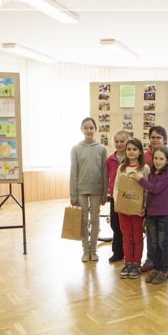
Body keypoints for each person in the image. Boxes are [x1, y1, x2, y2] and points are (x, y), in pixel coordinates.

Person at [130, 146, 168, 284]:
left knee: (163, 243)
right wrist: (145, 213)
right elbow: (148, 195)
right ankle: (156, 268)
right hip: (151, 214)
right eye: (155, 158)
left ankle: (164, 270)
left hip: (163, 214)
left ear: (166, 160)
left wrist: (140, 180)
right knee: (154, 243)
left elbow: (155, 189)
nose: (158, 161)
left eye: (161, 158)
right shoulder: (151, 173)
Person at [141, 125, 168, 272]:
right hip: (149, 206)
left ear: (164, 139)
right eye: (153, 137)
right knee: (151, 236)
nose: (155, 140)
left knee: (162, 238)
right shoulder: (144, 157)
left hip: (164, 206)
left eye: (159, 137)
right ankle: (151, 260)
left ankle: (162, 267)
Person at [70, 117, 108, 262]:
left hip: (97, 190)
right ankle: (85, 250)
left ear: (96, 129)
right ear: (81, 129)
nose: (89, 130)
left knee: (95, 220)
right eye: (86, 127)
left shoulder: (102, 149)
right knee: (83, 220)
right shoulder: (75, 149)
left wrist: (105, 193)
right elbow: (73, 172)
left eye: (91, 127)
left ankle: (93, 250)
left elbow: (105, 172)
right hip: (81, 190)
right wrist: (73, 194)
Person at [113, 139, 150, 279]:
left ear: (140, 151)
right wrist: (117, 202)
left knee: (137, 237)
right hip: (123, 208)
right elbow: (117, 186)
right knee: (127, 236)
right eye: (129, 149)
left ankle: (136, 263)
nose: (131, 152)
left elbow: (146, 190)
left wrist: (144, 207)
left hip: (138, 210)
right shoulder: (121, 168)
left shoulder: (144, 168)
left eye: (134, 149)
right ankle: (128, 262)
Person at [105, 131, 129, 263]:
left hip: (128, 197)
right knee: (115, 225)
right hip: (115, 197)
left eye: (122, 141)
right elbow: (108, 177)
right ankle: (117, 252)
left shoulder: (131, 158)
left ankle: (129, 252)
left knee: (126, 226)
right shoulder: (110, 160)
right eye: (117, 141)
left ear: (127, 141)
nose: (119, 144)